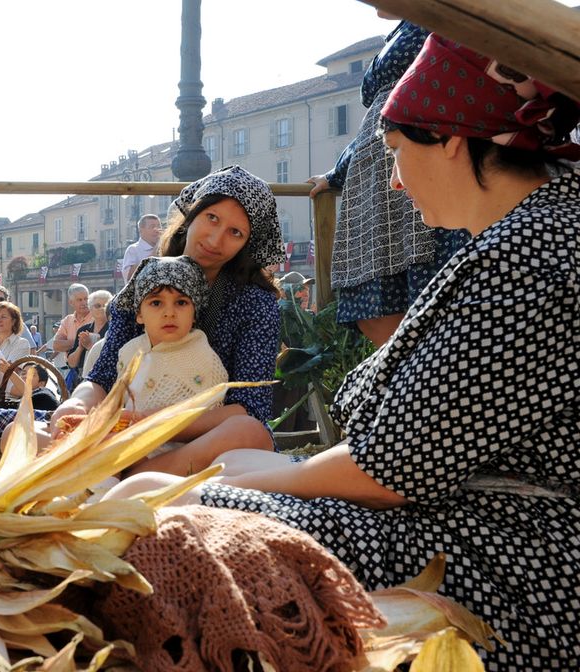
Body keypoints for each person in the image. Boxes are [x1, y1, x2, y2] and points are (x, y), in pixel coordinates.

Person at [111, 38, 580, 669]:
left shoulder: (525, 257)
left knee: (148, 504)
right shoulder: (524, 235)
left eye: (395, 151)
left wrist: (236, 478)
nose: (393, 180)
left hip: (505, 557)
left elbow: (389, 472)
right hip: (463, 512)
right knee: (200, 472)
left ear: (449, 138)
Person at [48, 165, 286, 456]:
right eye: (212, 218)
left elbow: (249, 408)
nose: (215, 240)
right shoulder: (146, 279)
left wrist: (149, 424)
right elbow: (103, 376)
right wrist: (76, 405)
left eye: (235, 232)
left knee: (248, 431)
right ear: (192, 214)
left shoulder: (256, 304)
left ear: (247, 244)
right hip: (129, 436)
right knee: (21, 433)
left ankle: (145, 472)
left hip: (208, 442)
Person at [307, 15, 467, 347]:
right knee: (374, 298)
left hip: (413, 166)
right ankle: (403, 370)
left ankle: (423, 368)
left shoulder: (440, 16)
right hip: (373, 178)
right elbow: (377, 120)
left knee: (422, 280)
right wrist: (337, 173)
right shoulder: (400, 30)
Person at [110, 256, 232, 475]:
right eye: (156, 303)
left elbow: (208, 421)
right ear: (139, 314)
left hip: (176, 460)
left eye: (181, 303)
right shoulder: (128, 351)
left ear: (194, 313)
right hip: (125, 449)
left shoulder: (202, 358)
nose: (169, 313)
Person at [65, 289, 111, 388]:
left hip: (104, 381)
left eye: (106, 305)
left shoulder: (114, 330)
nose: (102, 308)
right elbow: (72, 364)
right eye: (98, 306)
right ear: (90, 308)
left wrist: (90, 346)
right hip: (81, 380)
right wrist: (80, 347)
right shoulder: (83, 330)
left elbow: (111, 359)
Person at [49, 283, 91, 370]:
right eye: (79, 300)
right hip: (73, 369)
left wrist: (68, 344)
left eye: (86, 298)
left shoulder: (96, 317)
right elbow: (56, 345)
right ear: (71, 302)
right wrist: (81, 343)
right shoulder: (67, 320)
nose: (84, 302)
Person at [121, 213, 163, 281]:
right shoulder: (133, 250)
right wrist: (156, 249)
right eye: (152, 227)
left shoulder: (166, 248)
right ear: (141, 231)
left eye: (159, 226)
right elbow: (129, 277)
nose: (157, 230)